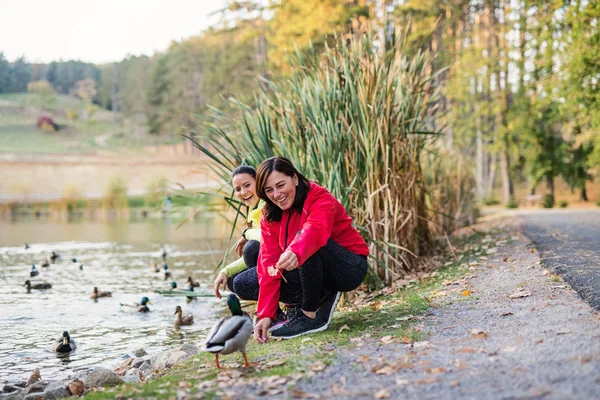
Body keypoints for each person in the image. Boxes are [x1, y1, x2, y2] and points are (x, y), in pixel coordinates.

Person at [253, 156, 369, 342]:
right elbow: (269, 262)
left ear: (295, 178)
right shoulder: (269, 215)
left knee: (306, 241)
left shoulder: (319, 197)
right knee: (243, 282)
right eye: (269, 190)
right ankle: (299, 306)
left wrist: (295, 250)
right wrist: (266, 314)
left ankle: (309, 316)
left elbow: (315, 231)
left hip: (348, 267)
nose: (276, 194)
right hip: (310, 268)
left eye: (281, 185)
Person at [213, 165, 303, 329]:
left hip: (293, 266)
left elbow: (265, 240)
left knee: (250, 250)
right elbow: (259, 254)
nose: (243, 192)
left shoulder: (268, 206)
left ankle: (296, 301)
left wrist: (246, 233)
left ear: (260, 183)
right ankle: (277, 312)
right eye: (238, 189)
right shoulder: (254, 211)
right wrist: (225, 271)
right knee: (233, 280)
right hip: (276, 265)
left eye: (247, 185)